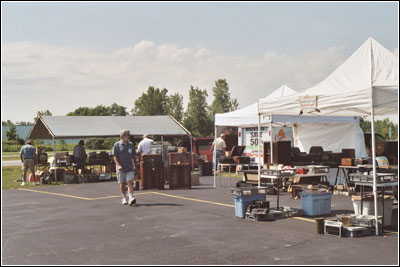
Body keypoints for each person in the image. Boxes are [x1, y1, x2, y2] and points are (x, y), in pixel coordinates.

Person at [113, 130, 138, 206]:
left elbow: (133, 156)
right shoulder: (117, 145)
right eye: (127, 135)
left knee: (130, 181)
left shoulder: (131, 145)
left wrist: (135, 165)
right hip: (121, 168)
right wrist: (118, 165)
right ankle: (124, 197)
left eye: (129, 135)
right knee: (122, 183)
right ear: (122, 136)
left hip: (129, 167)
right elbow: (115, 156)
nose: (128, 136)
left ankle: (131, 198)